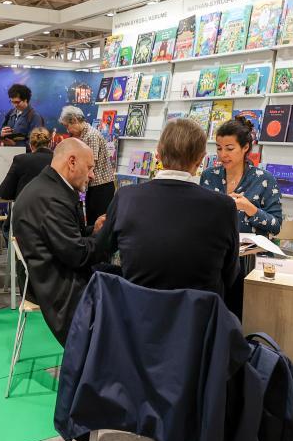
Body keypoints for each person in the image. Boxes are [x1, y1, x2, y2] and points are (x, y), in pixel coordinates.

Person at [100, 118, 240, 306]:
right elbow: (230, 275)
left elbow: (101, 251)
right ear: (200, 159)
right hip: (198, 317)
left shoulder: (125, 196)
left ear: (158, 153)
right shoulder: (224, 206)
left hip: (137, 315)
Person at [12, 138, 107, 345]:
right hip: (56, 284)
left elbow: (65, 237)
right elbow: (78, 255)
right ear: (72, 162)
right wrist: (107, 237)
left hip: (52, 273)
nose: (92, 175)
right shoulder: (51, 199)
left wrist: (94, 231)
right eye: (89, 168)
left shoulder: (49, 188)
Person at [200, 116, 283, 319]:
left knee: (240, 315)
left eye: (229, 148)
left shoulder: (264, 180)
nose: (223, 155)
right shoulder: (209, 176)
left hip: (249, 263)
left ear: (245, 148)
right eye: (219, 148)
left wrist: (250, 209)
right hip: (215, 257)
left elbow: (276, 225)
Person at [59, 106, 116, 225]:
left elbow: (90, 165)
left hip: (101, 187)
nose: (67, 130)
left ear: (74, 120)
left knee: (98, 223)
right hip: (94, 186)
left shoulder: (91, 135)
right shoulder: (83, 135)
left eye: (67, 126)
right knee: (91, 222)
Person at [0, 127, 53, 200]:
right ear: (50, 144)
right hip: (53, 207)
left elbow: (4, 192)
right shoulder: (58, 160)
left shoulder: (20, 160)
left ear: (30, 145)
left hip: (26, 206)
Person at [0, 83, 44, 148]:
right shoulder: (10, 113)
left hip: (25, 154)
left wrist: (15, 144)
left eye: (17, 102)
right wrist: (2, 134)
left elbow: (36, 142)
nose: (15, 105)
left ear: (25, 100)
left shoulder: (35, 117)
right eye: (12, 102)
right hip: (8, 152)